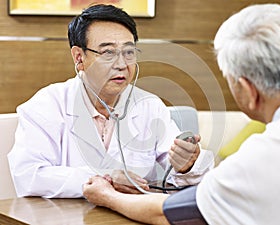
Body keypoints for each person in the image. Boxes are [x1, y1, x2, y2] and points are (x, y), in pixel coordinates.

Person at [83, 3, 280, 225]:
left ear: (248, 90)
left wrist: (108, 196)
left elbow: (169, 212)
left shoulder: (260, 159)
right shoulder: (51, 101)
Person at [7, 4, 214, 198]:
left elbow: (180, 173)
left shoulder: (149, 106)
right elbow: (29, 175)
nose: (122, 64)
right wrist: (105, 178)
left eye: (129, 52)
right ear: (79, 57)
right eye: (108, 52)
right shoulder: (48, 104)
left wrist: (187, 164)